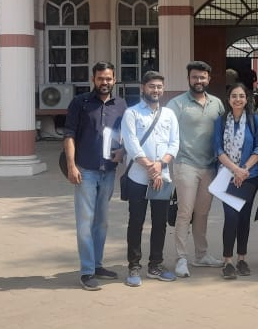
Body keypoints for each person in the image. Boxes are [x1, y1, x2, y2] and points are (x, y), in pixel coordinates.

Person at [64, 61, 127, 291]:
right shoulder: (80, 103)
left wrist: (123, 151)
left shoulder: (121, 104)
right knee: (85, 222)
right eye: (100, 78)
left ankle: (97, 265)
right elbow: (69, 135)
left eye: (108, 78)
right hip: (85, 171)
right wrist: (71, 166)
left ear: (114, 79)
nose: (105, 82)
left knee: (102, 222)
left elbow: (126, 134)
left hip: (108, 171)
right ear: (93, 79)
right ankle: (87, 271)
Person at [167, 60, 227, 277]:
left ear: (209, 79)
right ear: (188, 79)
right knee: (185, 212)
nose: (198, 80)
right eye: (195, 77)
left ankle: (201, 255)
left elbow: (225, 132)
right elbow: (166, 132)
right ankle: (181, 258)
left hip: (209, 167)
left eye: (202, 77)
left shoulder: (217, 104)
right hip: (185, 164)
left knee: (202, 212)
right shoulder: (176, 104)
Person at [121, 70, 180, 287]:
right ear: (143, 88)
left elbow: (174, 143)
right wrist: (150, 167)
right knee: (136, 222)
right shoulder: (132, 113)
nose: (156, 90)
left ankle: (156, 264)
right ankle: (134, 265)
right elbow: (131, 144)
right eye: (152, 86)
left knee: (160, 223)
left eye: (159, 87)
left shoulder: (169, 114)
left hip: (162, 178)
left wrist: (160, 166)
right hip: (138, 177)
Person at [211, 83, 258, 279]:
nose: (238, 99)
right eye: (234, 96)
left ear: (246, 98)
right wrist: (235, 170)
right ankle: (228, 260)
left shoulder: (254, 120)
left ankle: (242, 258)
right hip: (227, 176)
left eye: (241, 96)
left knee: (243, 218)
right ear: (228, 99)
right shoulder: (221, 121)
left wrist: (243, 170)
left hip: (250, 177)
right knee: (231, 217)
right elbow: (218, 149)